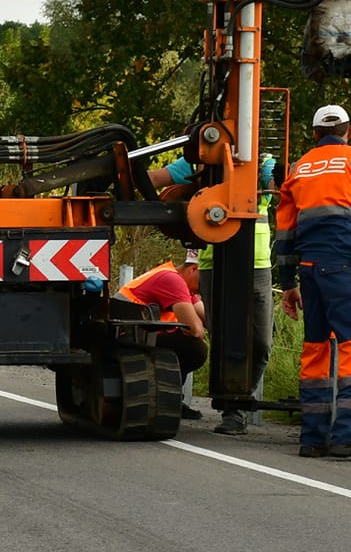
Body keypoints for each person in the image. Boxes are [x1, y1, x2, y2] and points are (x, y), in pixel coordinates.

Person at [275, 104, 351, 459]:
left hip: (310, 271)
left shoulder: (298, 168)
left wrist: (288, 283)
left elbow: (285, 233)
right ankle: (347, 435)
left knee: (316, 348)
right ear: (349, 131)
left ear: (314, 135)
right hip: (346, 266)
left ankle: (311, 437)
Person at [145, 152, 278, 434]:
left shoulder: (264, 161)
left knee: (262, 343)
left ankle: (242, 396)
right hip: (213, 265)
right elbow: (154, 179)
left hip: (257, 265)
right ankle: (234, 410)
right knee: (225, 340)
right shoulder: (196, 163)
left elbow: (276, 181)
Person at [115, 259, 209, 388]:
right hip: (126, 334)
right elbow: (195, 330)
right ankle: (165, 395)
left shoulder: (181, 283)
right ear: (193, 269)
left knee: (189, 344)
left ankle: (171, 397)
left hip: (139, 332)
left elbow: (207, 316)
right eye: (205, 278)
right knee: (194, 348)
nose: (205, 285)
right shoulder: (171, 280)